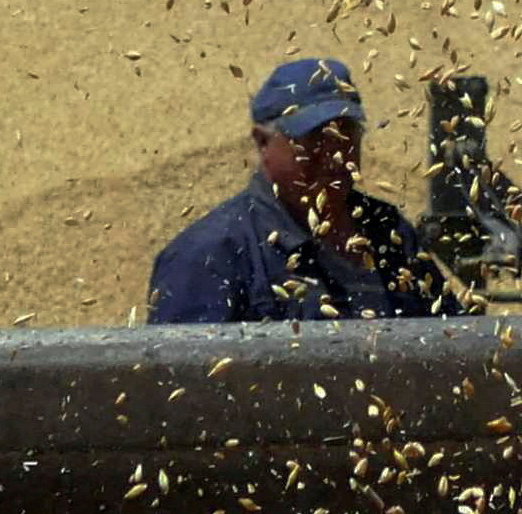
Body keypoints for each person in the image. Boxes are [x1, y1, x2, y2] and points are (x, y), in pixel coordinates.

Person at [145, 58, 462, 324]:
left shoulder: (389, 232)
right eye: (314, 139)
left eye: (346, 134)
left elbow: (452, 346)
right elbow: (181, 388)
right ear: (262, 141)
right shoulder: (208, 256)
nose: (335, 155)